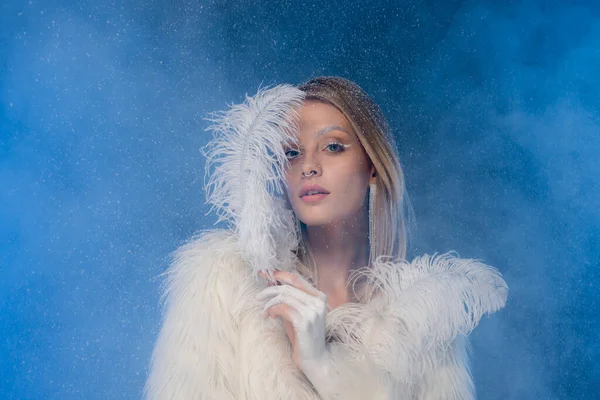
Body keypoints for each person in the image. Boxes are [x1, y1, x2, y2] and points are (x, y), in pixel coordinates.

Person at [144, 77, 508, 399]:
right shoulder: (224, 280)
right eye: (291, 152)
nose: (309, 165)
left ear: (373, 168)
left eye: (333, 146)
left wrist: (322, 366)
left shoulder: (425, 325)